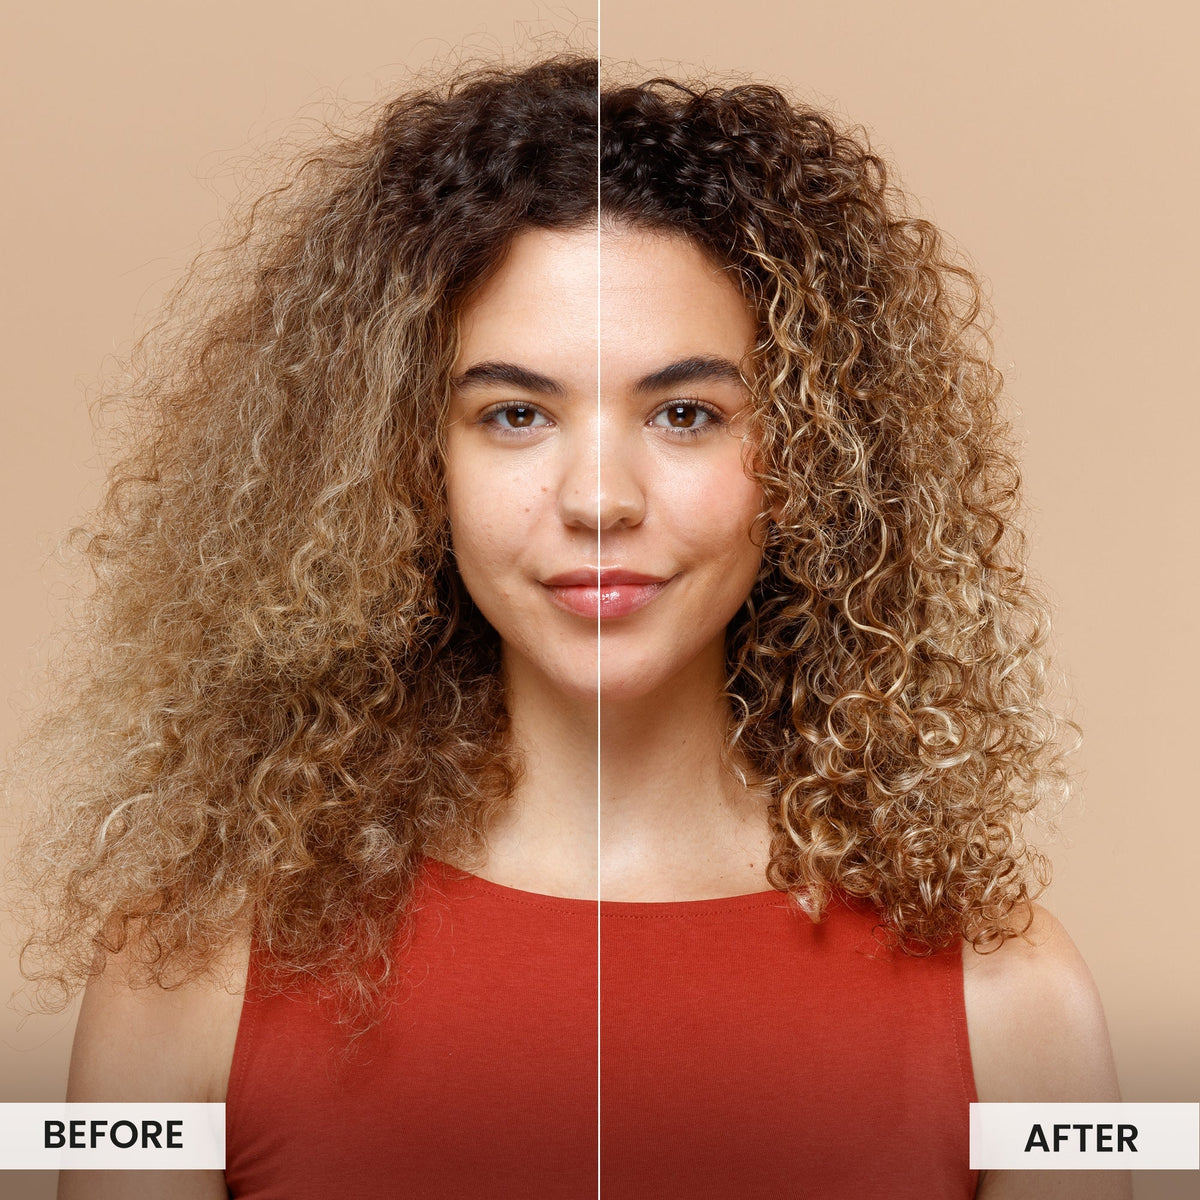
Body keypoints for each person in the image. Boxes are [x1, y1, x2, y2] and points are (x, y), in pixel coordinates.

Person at [13, 54, 1124, 1199]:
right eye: (514, 414)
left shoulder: (1014, 1005)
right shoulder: (189, 977)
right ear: (407, 464)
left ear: (809, 459)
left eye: (686, 413)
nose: (601, 499)